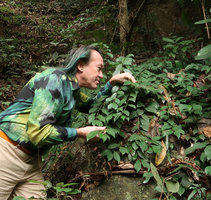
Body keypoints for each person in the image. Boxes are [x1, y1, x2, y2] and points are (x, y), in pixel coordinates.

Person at [0, 45, 136, 199]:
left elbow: (91, 106)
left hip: (31, 160)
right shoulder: (54, 80)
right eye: (99, 69)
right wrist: (79, 133)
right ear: (80, 65)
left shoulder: (71, 88)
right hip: (6, 152)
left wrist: (111, 84)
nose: (101, 75)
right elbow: (37, 133)